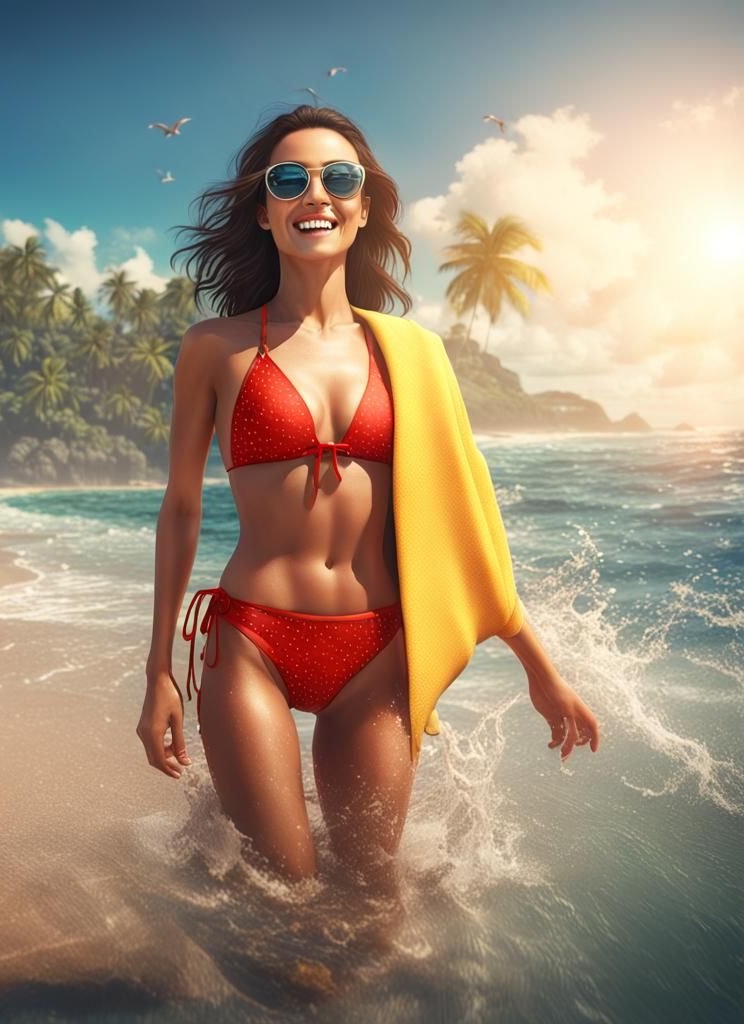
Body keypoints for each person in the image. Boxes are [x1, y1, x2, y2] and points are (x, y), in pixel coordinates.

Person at [136, 106, 600, 885]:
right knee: (283, 894)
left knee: (372, 907)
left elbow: (468, 522)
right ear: (263, 210)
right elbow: (181, 511)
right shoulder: (213, 348)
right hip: (251, 645)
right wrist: (157, 673)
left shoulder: (415, 353)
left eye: (337, 177)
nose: (314, 192)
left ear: (362, 206)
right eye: (290, 179)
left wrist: (538, 667)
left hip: (376, 655)